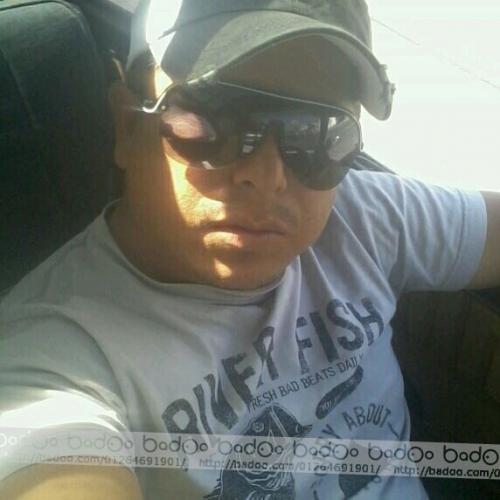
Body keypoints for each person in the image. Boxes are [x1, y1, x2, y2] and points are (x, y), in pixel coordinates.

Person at [1, 0, 499, 499]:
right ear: (129, 126)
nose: (268, 177)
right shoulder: (55, 358)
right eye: (211, 121)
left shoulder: (362, 214)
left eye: (317, 134)